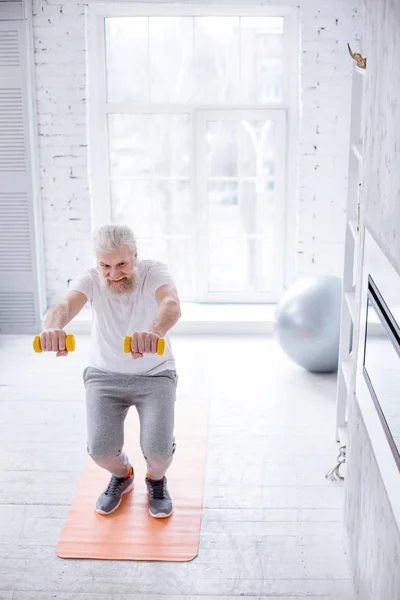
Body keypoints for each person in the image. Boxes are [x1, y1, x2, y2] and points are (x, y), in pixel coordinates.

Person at [39, 224, 181, 518]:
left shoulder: (154, 271)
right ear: (97, 262)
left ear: (135, 257)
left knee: (158, 453)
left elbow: (171, 304)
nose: (114, 273)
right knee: (100, 451)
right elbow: (64, 305)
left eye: (121, 264)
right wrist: (52, 327)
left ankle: (155, 481)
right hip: (104, 376)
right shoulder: (90, 279)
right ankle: (123, 475)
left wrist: (153, 332)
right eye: (105, 265)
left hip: (155, 375)